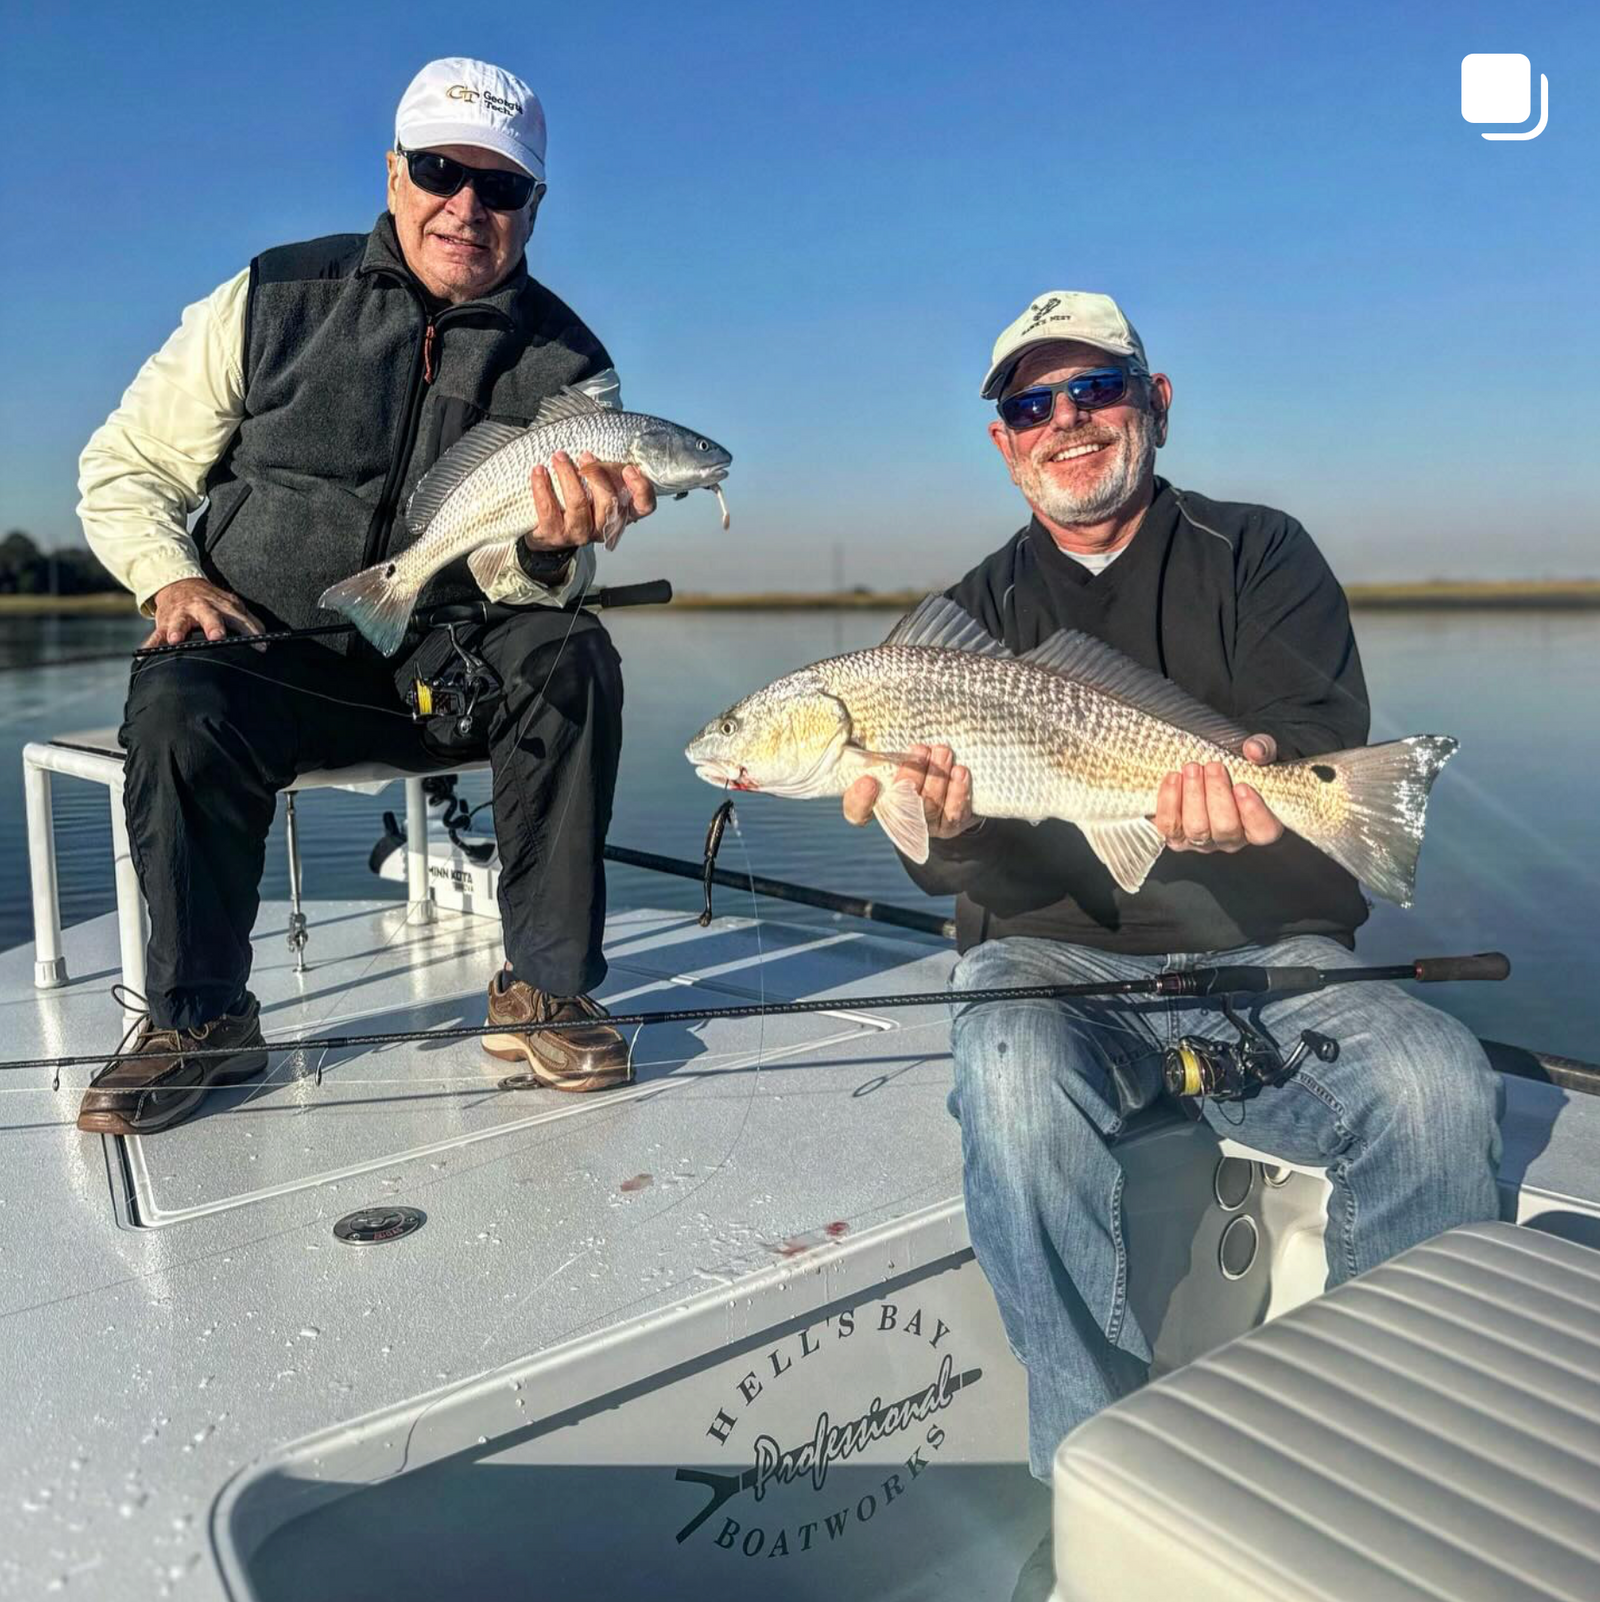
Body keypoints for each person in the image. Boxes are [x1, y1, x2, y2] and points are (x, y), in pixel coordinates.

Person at [841, 291, 1502, 1494]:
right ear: (1000, 441)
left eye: (1094, 388)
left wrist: (1250, 806)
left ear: (1155, 401)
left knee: (1434, 1084)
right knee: (1005, 1069)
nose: (1065, 421)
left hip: (1269, 952)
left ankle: (1387, 1480)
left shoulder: (1258, 552)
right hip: (1053, 966)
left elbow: (1312, 739)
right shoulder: (954, 633)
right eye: (1030, 403)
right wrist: (944, 828)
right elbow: (975, 879)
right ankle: (1090, 1484)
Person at [76, 57, 659, 1135]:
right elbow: (124, 469)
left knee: (572, 655)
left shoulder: (572, 365)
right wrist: (175, 577)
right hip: (270, 651)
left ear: (534, 206)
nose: (467, 206)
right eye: (442, 169)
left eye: (502, 187)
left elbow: (535, 587)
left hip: (450, 665)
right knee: (175, 698)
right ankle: (200, 1015)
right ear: (394, 172)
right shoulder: (270, 297)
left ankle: (544, 987)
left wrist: (545, 550)